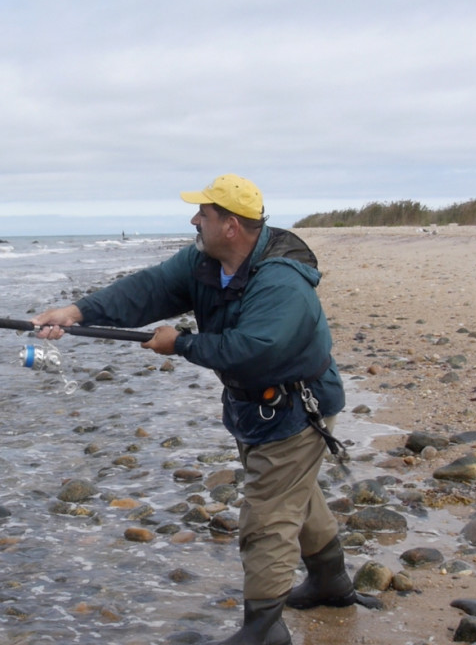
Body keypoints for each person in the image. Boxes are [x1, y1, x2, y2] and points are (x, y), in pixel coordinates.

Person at [31, 174, 378, 644]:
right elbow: (147, 289)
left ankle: (263, 630)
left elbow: (256, 348)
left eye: (204, 214)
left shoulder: (281, 281)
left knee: (268, 515)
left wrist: (181, 344)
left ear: (231, 226)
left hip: (296, 408)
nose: (195, 219)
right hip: (252, 407)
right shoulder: (204, 261)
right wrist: (76, 312)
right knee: (294, 491)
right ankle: (331, 582)